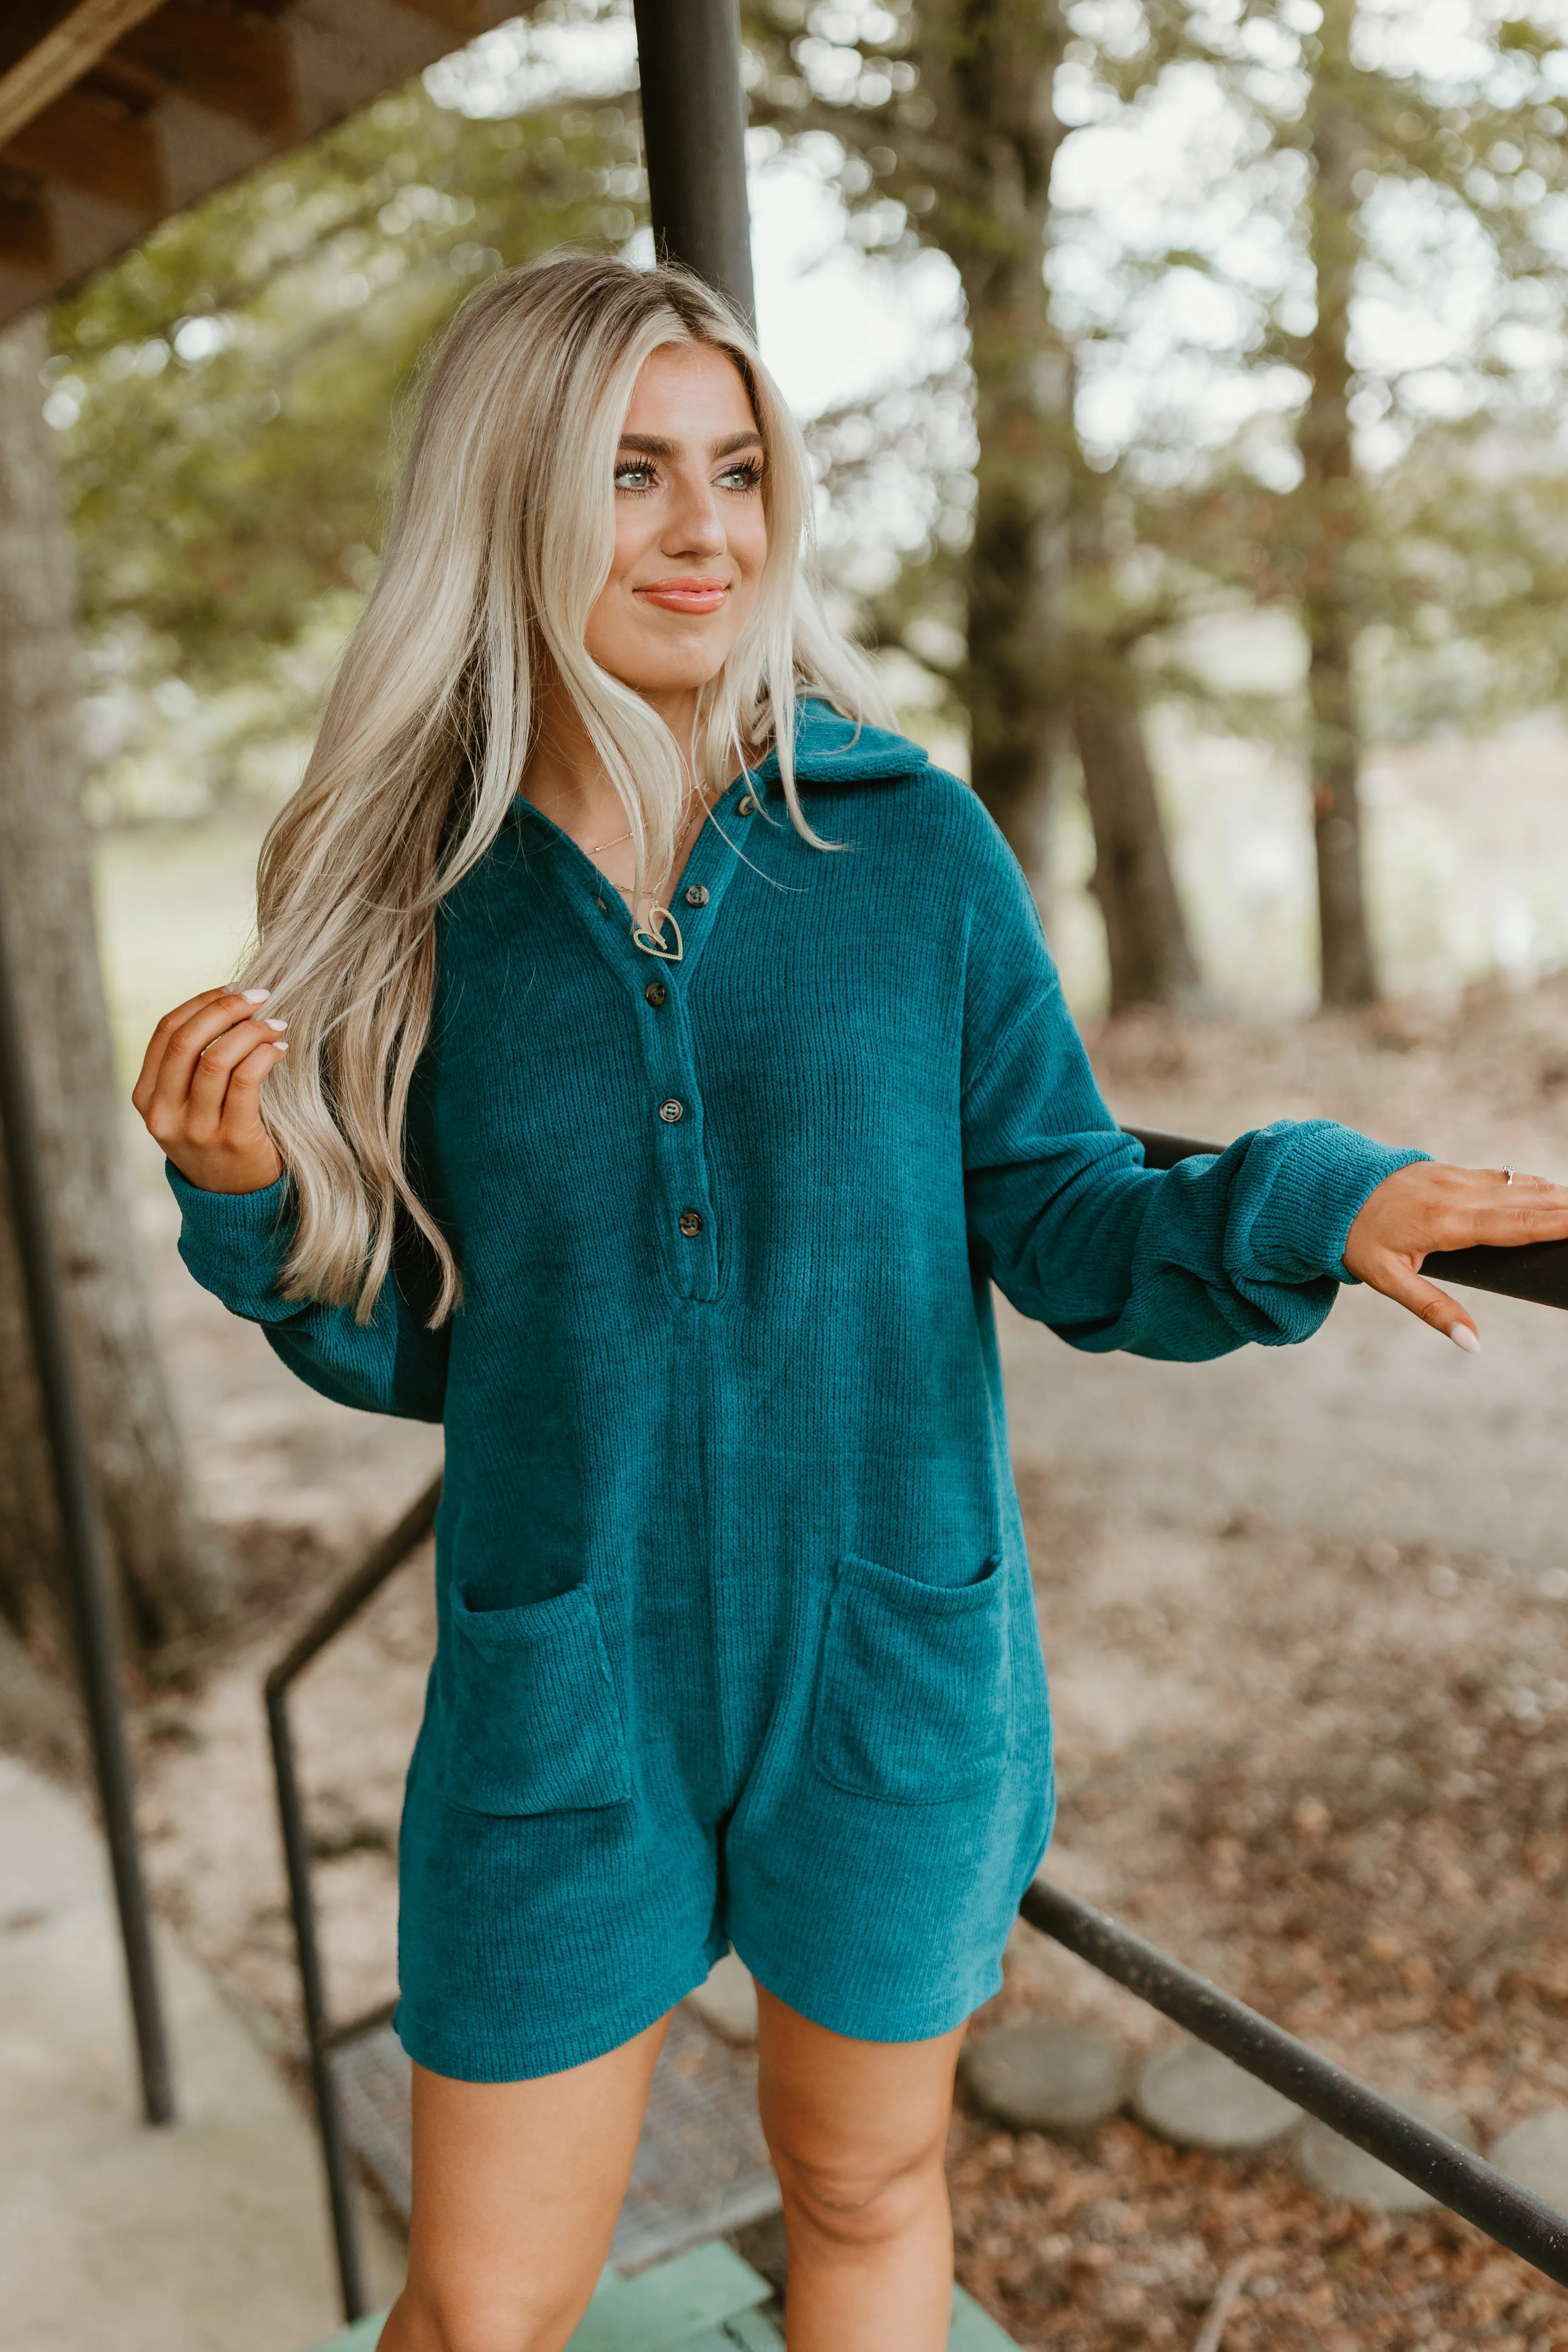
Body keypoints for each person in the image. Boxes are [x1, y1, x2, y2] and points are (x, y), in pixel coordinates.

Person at [132, 254, 1568, 2352]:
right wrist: (250, 1199)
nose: (707, 529)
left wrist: (1303, 1198)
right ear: (504, 502)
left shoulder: (908, 846)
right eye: (630, 474)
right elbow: (416, 1341)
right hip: (560, 1680)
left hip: (890, 1653)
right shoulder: (410, 904)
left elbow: (1067, 1207)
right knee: (478, 2304)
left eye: (735, 468)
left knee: (869, 2186)